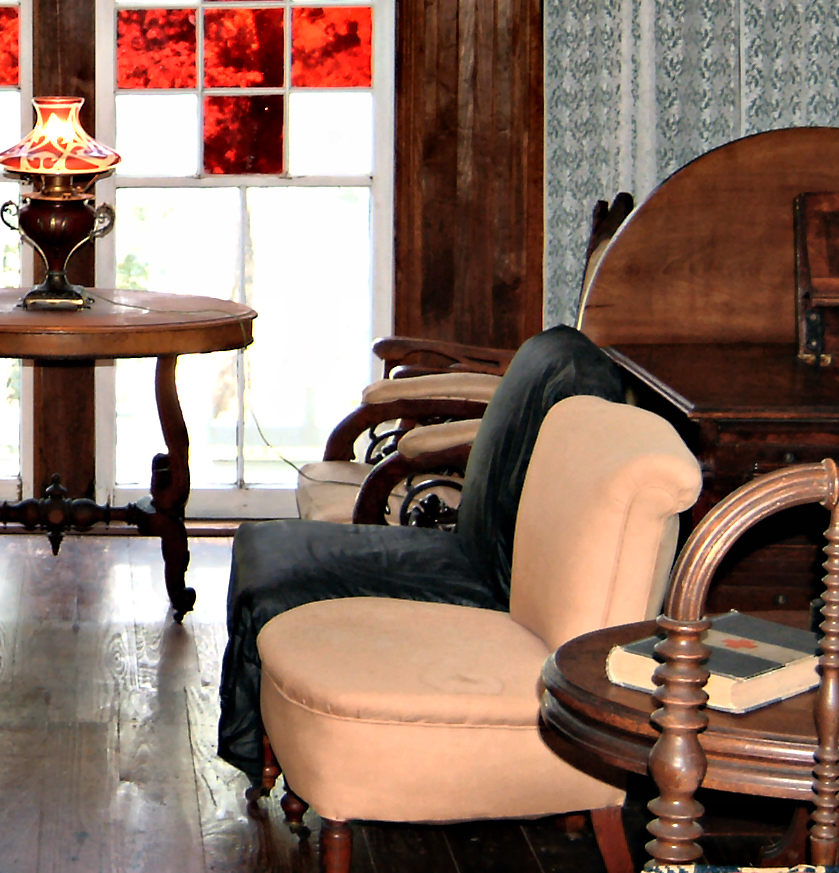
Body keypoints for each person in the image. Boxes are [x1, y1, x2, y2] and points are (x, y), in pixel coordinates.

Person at [215, 325, 633, 783]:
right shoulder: (555, 358)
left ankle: (279, 745)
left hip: (477, 573)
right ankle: (278, 737)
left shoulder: (568, 374)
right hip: (470, 551)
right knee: (265, 548)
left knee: (273, 571)